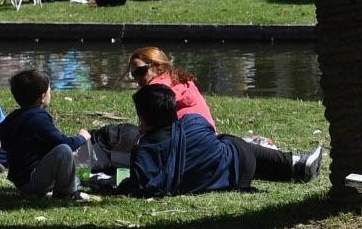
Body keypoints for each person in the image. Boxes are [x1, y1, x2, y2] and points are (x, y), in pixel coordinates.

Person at [125, 84, 323, 197]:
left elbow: (141, 185)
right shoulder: (193, 123)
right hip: (238, 159)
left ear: (144, 118)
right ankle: (295, 164)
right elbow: (209, 133)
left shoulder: (143, 152)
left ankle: (297, 168)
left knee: (226, 151)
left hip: (227, 180)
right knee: (232, 145)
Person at [0, 68, 94, 201]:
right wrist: (82, 136)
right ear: (42, 97)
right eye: (49, 90)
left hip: (20, 182)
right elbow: (65, 144)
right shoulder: (39, 118)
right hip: (33, 180)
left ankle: (53, 189)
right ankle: (67, 193)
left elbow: (2, 138)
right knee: (63, 151)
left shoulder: (13, 117)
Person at [126, 47, 216, 131]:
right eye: (134, 74)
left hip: (183, 143)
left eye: (140, 71)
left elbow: (147, 132)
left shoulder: (154, 92)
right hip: (211, 138)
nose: (137, 78)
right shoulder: (183, 81)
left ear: (155, 66)